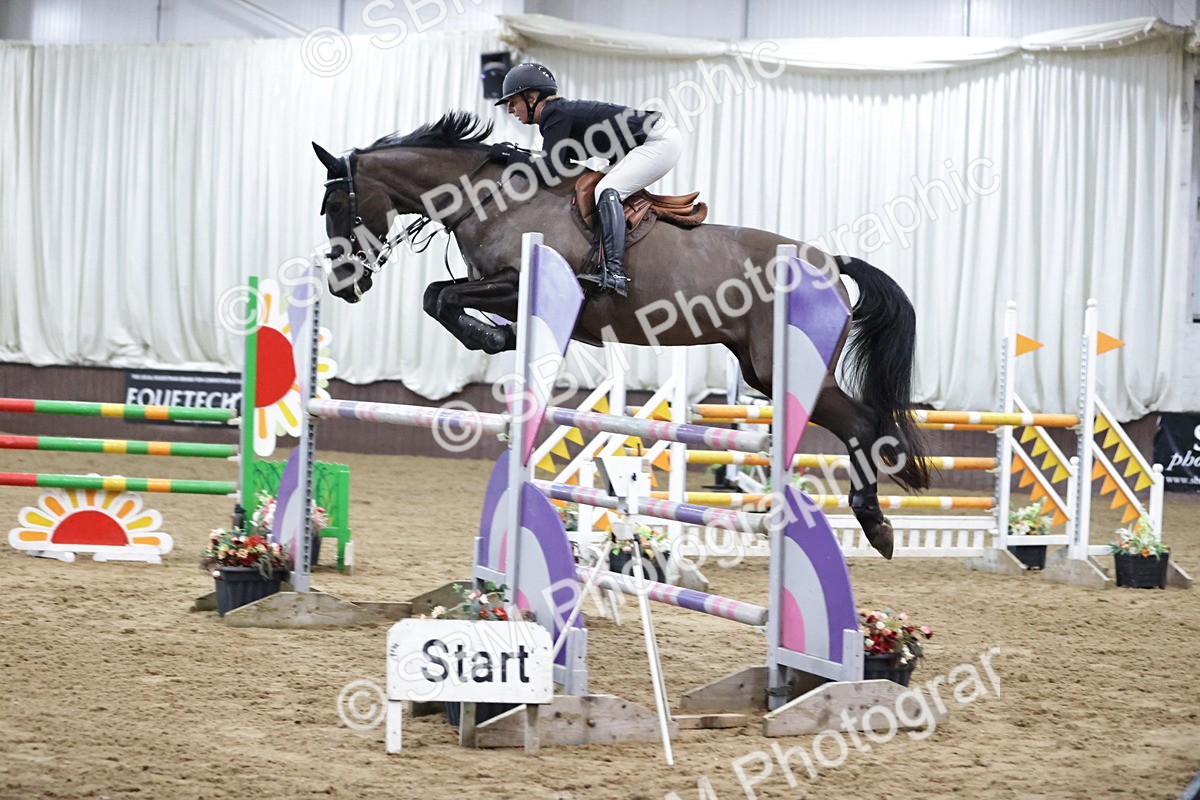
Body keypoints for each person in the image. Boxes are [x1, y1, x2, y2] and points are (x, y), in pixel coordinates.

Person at [488, 62, 683, 297]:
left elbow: (549, 170)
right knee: (597, 189)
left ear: (531, 97)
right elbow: (559, 164)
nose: (510, 110)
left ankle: (615, 272)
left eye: (512, 102)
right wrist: (519, 154)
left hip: (658, 141)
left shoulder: (555, 114)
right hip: (637, 145)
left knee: (607, 190)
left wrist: (511, 156)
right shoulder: (556, 115)